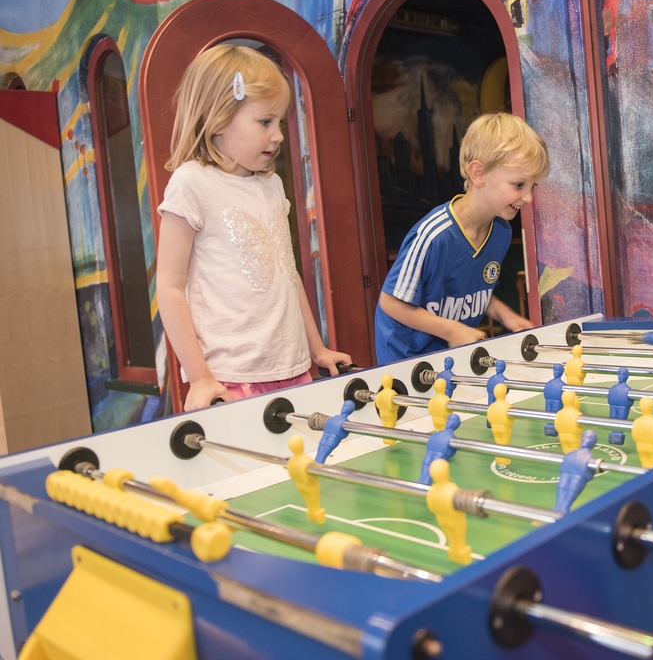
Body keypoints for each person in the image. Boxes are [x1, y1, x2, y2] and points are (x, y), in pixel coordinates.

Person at [156, 45, 352, 410]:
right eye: (265, 122)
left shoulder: (271, 185)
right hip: (230, 380)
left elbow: (287, 273)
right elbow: (169, 288)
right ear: (218, 119)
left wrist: (317, 349)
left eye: (280, 123)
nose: (278, 135)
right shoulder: (192, 183)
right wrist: (200, 378)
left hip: (293, 370)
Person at [373, 113, 547, 364]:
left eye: (533, 186)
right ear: (478, 173)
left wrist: (505, 315)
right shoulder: (433, 236)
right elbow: (391, 302)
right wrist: (452, 330)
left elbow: (473, 291)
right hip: (405, 359)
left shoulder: (501, 231)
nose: (528, 198)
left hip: (451, 356)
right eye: (519, 185)